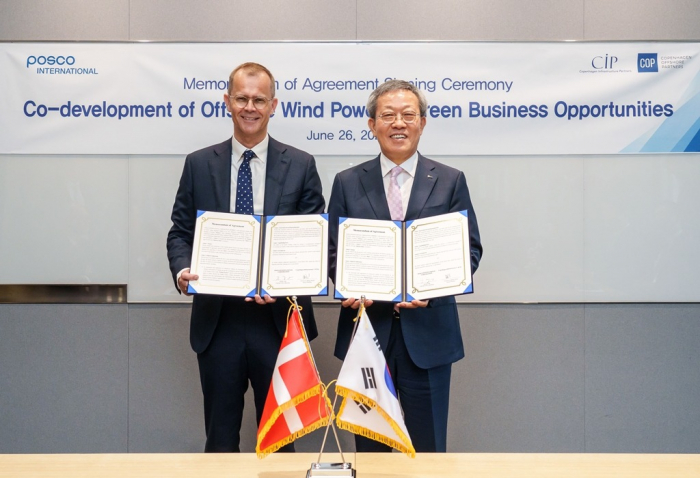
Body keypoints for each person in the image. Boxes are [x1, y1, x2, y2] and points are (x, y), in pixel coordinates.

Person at [167, 62, 325, 452]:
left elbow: (312, 240)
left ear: (274, 105)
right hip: (218, 320)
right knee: (220, 438)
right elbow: (180, 232)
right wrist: (183, 269)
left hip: (279, 321)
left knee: (281, 441)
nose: (250, 107)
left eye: (259, 99)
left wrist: (284, 281)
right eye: (241, 98)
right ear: (227, 102)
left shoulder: (302, 165)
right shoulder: (199, 164)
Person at [328, 79, 482, 452]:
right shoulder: (348, 182)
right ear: (372, 124)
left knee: (426, 451)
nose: (399, 123)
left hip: (428, 335)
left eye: (408, 115)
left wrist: (432, 289)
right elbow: (332, 251)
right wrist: (348, 286)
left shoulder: (449, 181)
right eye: (388, 115)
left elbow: (469, 249)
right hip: (367, 334)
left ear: (422, 123)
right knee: (371, 451)